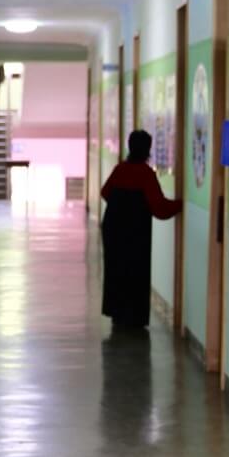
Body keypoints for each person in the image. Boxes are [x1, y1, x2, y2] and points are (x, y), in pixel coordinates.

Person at [100, 129, 181, 330]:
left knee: (115, 270)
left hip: (112, 229)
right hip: (136, 233)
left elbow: (105, 192)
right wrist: (179, 205)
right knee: (136, 273)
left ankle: (116, 313)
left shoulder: (120, 169)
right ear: (147, 149)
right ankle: (134, 318)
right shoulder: (145, 174)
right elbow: (159, 208)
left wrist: (121, 208)